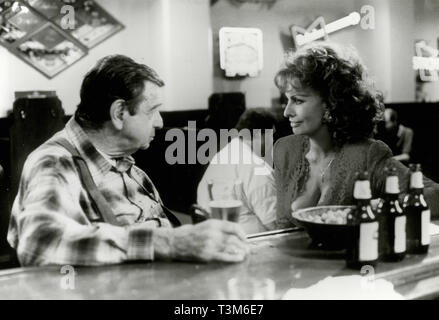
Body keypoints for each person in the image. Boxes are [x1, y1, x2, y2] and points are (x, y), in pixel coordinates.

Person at [7, 55, 249, 266]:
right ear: (119, 113)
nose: (160, 122)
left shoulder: (127, 167)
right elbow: (39, 243)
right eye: (152, 110)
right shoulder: (55, 162)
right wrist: (169, 243)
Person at [273, 41, 439, 228]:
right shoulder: (285, 149)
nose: (287, 112)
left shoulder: (366, 155)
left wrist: (370, 208)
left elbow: (433, 195)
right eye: (287, 100)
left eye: (297, 100)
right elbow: (281, 226)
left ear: (330, 103)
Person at [197, 108, 277, 234]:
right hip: (252, 244)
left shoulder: (222, 155)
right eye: (272, 135)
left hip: (217, 238)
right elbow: (275, 223)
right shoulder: (256, 166)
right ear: (259, 135)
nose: (272, 142)